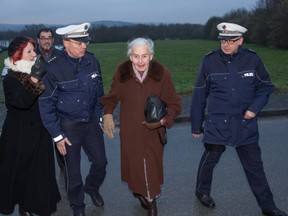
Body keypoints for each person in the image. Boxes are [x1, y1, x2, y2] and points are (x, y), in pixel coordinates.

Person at [190, 22, 287, 216]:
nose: (225, 45)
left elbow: (266, 86)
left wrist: (254, 109)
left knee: (255, 168)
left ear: (240, 40)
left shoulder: (252, 59)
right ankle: (202, 191)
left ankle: (269, 207)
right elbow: (199, 95)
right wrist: (196, 125)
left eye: (231, 41)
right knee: (210, 160)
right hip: (218, 124)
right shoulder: (209, 62)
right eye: (222, 40)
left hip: (245, 124)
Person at [101, 37, 182, 216]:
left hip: (154, 133)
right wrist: (107, 113)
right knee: (135, 168)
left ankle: (152, 203)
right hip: (130, 133)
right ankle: (141, 192)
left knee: (150, 169)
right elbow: (112, 97)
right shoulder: (122, 73)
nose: (140, 61)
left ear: (151, 56)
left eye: (144, 56)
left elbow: (175, 104)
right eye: (136, 56)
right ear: (130, 57)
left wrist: (163, 121)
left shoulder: (162, 74)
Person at [38, 23, 107, 216]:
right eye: (79, 43)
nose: (84, 46)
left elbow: (100, 93)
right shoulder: (52, 68)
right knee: (73, 172)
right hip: (68, 125)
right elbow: (45, 104)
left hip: (91, 122)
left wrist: (101, 116)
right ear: (65, 43)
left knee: (101, 162)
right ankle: (78, 206)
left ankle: (92, 188)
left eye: (86, 42)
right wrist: (57, 136)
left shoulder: (92, 61)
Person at [0, 36, 61, 216]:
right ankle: (23, 205)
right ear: (17, 55)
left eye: (34, 50)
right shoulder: (10, 76)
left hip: (40, 131)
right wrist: (34, 80)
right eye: (29, 51)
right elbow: (21, 102)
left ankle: (35, 205)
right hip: (19, 134)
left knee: (39, 173)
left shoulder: (37, 70)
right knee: (21, 173)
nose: (34, 54)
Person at [36, 27, 65, 171]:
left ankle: (63, 167)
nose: (46, 41)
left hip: (57, 103)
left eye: (49, 38)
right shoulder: (32, 56)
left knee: (59, 137)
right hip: (37, 102)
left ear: (53, 40)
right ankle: (43, 171)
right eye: (43, 38)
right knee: (40, 140)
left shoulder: (61, 56)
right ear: (38, 40)